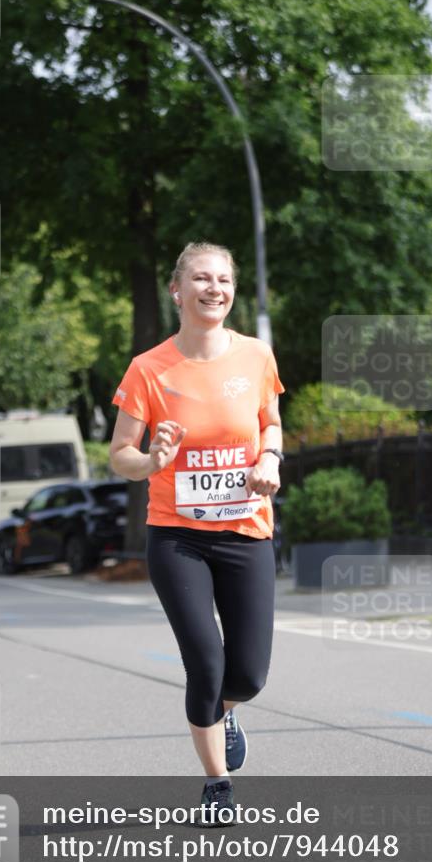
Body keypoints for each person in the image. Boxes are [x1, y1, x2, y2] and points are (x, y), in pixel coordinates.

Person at [109, 241, 285, 824]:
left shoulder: (257, 357)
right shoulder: (149, 369)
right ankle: (217, 784)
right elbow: (119, 457)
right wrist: (152, 460)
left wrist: (270, 459)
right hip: (177, 537)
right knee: (205, 663)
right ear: (177, 290)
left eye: (225, 279)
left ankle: (224, 712)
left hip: (246, 529)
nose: (215, 288)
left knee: (249, 674)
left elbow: (271, 424)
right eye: (202, 279)